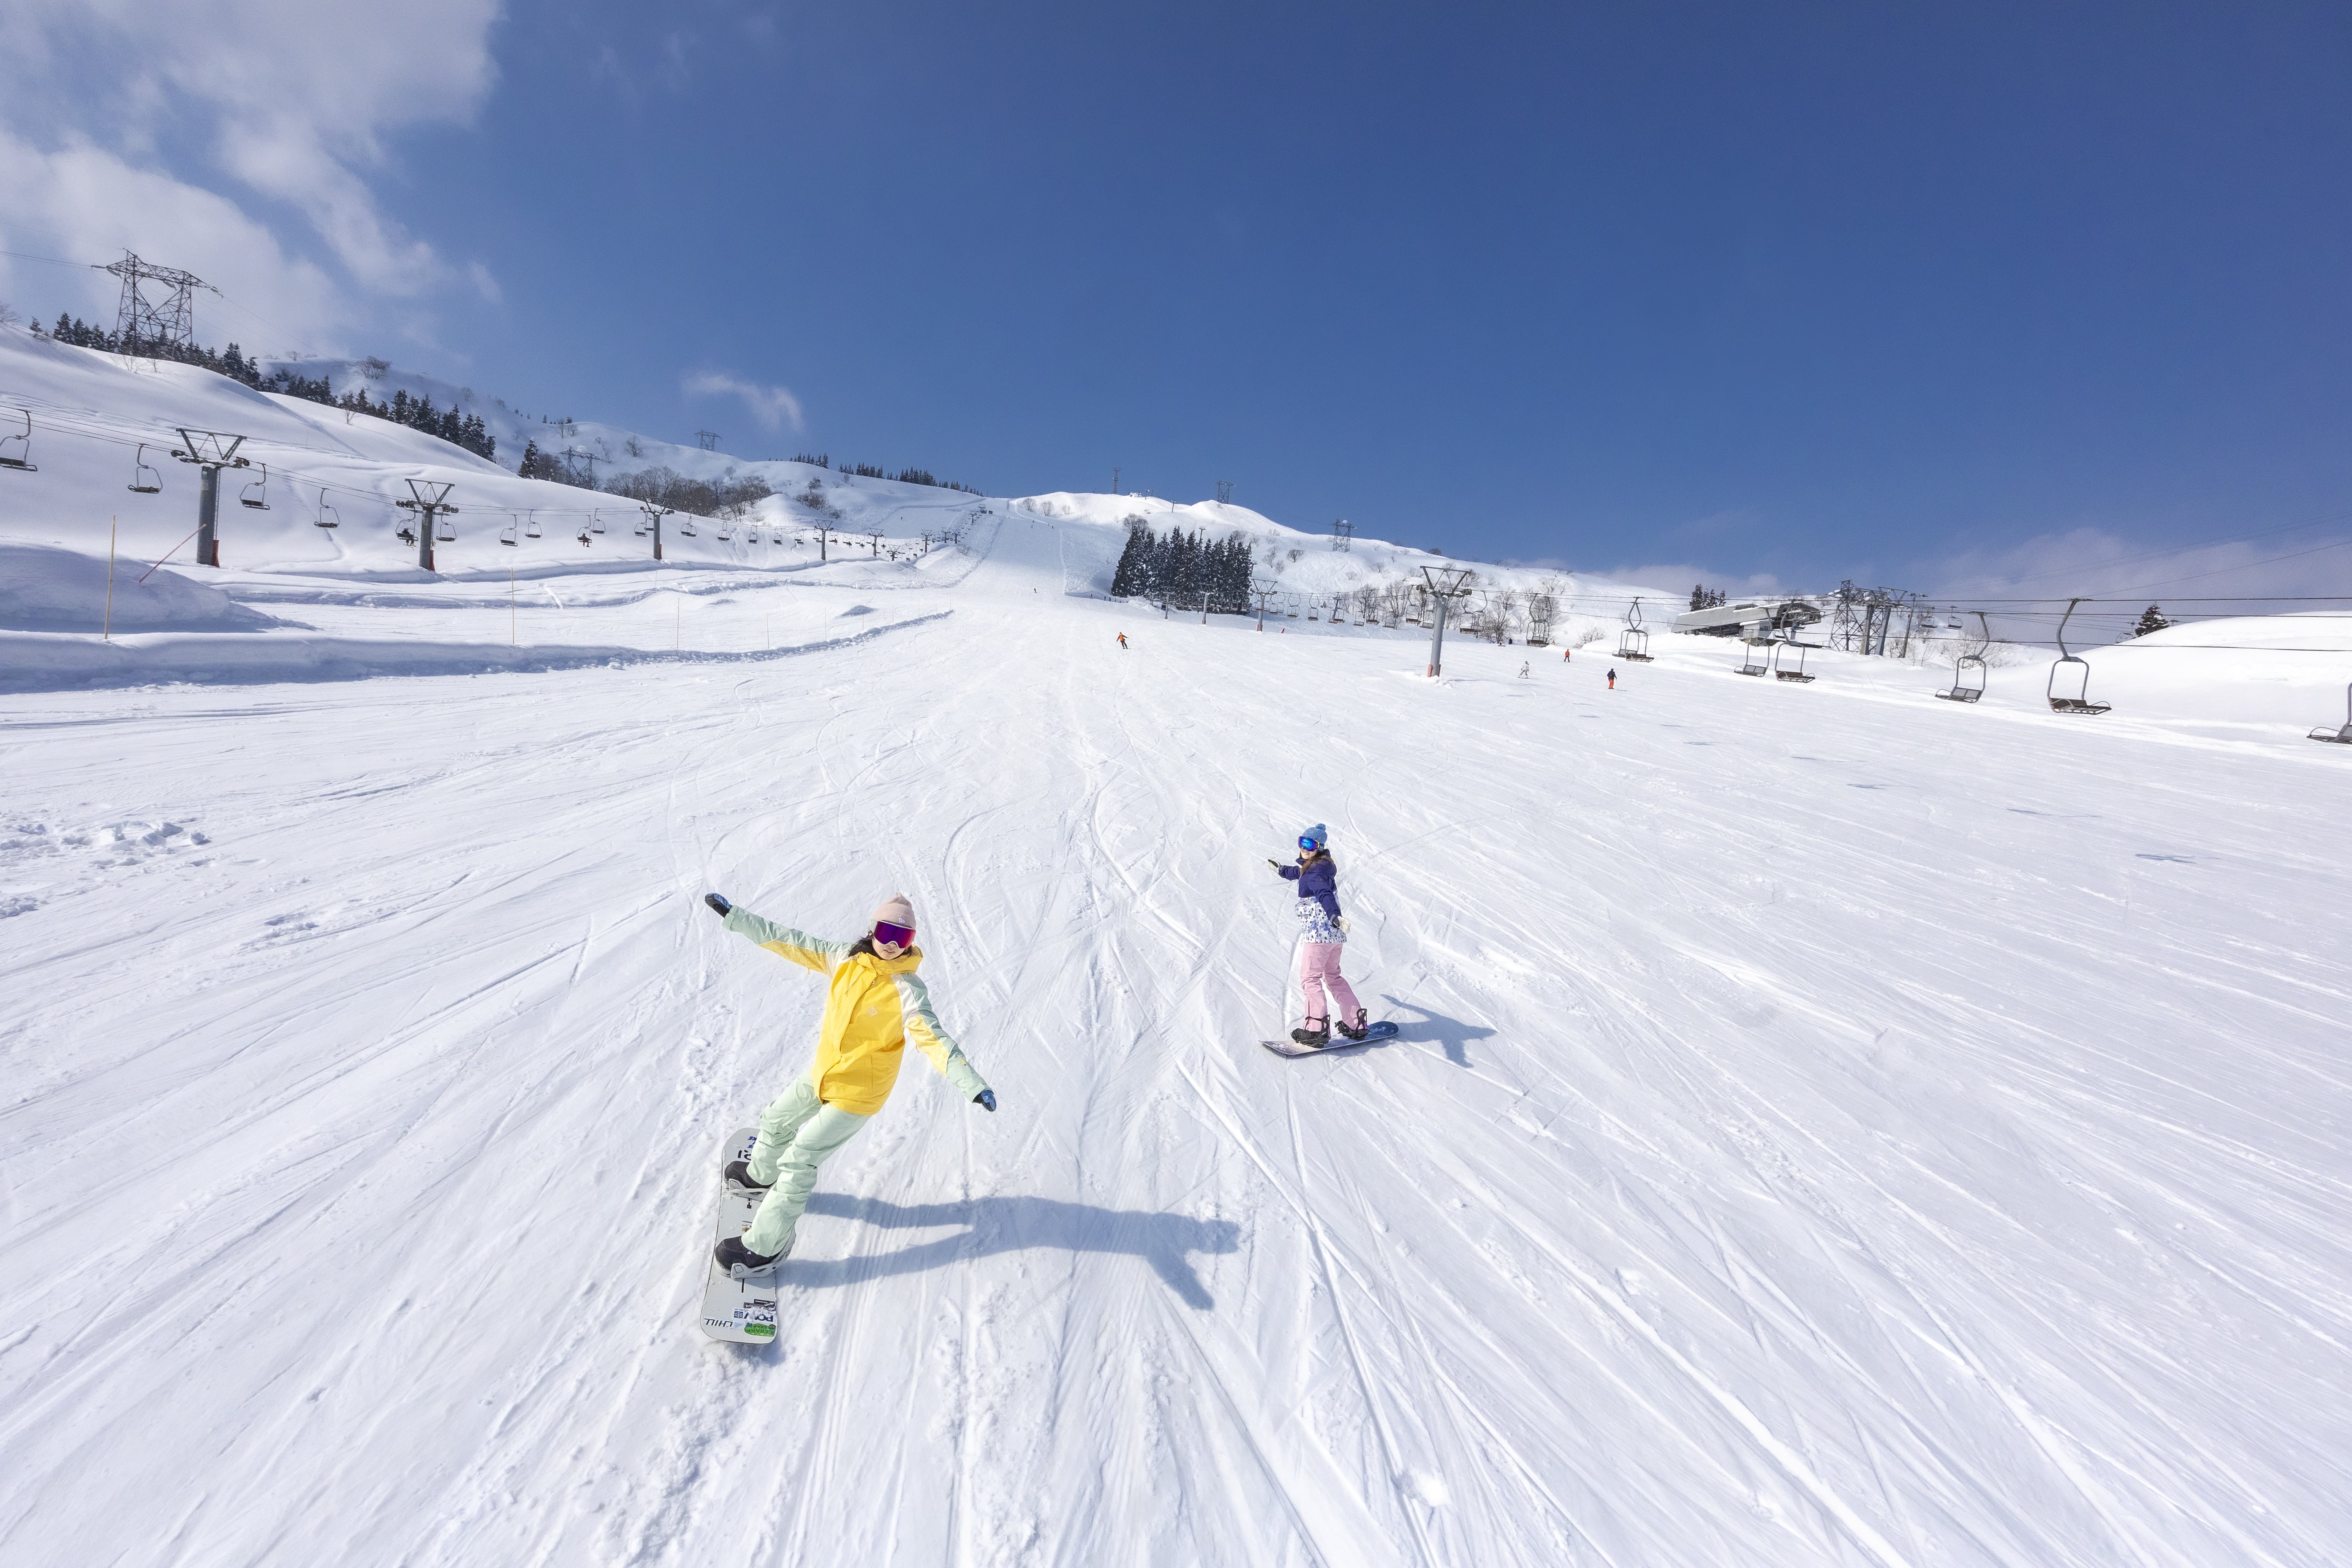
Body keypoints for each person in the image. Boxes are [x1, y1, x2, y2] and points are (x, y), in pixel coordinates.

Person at [700, 890, 996, 1278]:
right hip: (825, 1072)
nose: (892, 944)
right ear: (873, 929)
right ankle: (760, 1176)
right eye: (887, 931)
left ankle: (765, 1247)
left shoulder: (906, 989)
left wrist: (971, 1083)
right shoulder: (844, 958)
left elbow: (934, 1039)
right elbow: (789, 940)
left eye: (903, 937)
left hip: (859, 1093)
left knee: (801, 1158)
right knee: (775, 1119)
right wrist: (736, 917)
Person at [1267, 824, 1366, 1046]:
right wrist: (1280, 869)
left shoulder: (1315, 874)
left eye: (1311, 845)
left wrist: (1335, 915)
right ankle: (1356, 1023)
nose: (1305, 848)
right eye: (1302, 842)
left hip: (1319, 935)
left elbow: (1324, 894)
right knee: (1333, 977)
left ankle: (1316, 1029)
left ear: (1320, 847)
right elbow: (1298, 872)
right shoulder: (1319, 867)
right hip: (1334, 937)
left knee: (1310, 979)